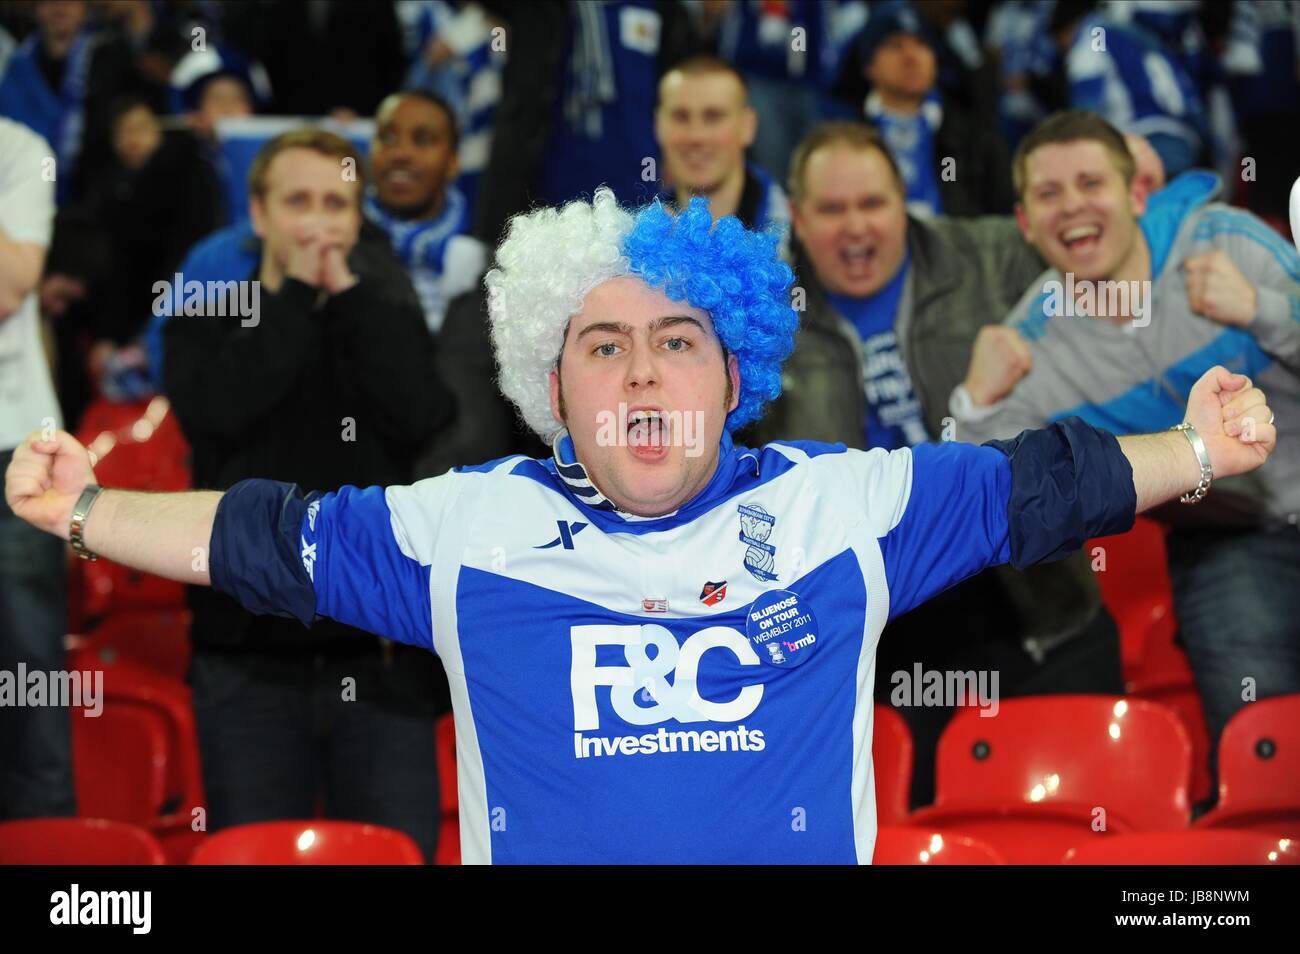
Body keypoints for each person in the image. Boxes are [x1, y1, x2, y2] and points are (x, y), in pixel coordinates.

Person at [5, 186, 1278, 863]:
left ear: (737, 378)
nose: (644, 374)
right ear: (552, 395)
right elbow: (262, 542)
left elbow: (1040, 487)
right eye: (602, 349)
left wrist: (1198, 450)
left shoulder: (840, 503)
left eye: (680, 344)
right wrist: (90, 507)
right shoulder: (471, 526)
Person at [748, 120, 1120, 807]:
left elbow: (1111, 267)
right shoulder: (764, 317)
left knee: (1084, 822)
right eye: (830, 210)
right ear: (796, 218)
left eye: (873, 204)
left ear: (905, 202)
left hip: (1036, 594)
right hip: (881, 630)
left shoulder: (989, 256)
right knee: (916, 826)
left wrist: (1144, 204)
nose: (855, 227)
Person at [950, 109, 1300, 798]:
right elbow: (980, 504)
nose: (1073, 206)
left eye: (1091, 182)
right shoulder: (1029, 348)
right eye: (1049, 194)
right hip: (1230, 538)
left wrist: (1262, 307)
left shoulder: (1229, 241)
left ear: (1137, 194)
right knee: (1265, 753)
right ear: (1025, 223)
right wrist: (975, 405)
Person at [159, 129, 454, 861]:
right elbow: (221, 410)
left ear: (359, 218)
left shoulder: (379, 308)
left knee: (399, 854)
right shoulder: (209, 307)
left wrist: (346, 298)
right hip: (246, 660)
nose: (319, 221)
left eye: (337, 203)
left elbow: (424, 419)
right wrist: (292, 294)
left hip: (380, 661)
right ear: (257, 214)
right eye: (299, 201)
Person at [0, 117, 74, 821]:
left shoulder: (19, 149)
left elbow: (9, 287)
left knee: (27, 677)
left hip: (10, 451)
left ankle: (44, 856)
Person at [653, 55, 790, 246]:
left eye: (713, 117)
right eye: (680, 117)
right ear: (658, 126)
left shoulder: (798, 241)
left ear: (748, 127)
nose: (696, 136)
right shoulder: (631, 247)